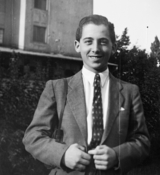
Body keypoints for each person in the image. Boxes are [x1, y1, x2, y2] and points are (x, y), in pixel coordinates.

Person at [23, 15, 150, 175]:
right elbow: (32, 137)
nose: (95, 48)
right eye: (88, 41)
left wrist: (117, 155)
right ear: (77, 45)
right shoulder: (57, 88)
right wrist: (62, 154)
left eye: (103, 41)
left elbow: (142, 141)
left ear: (114, 46)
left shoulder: (130, 92)